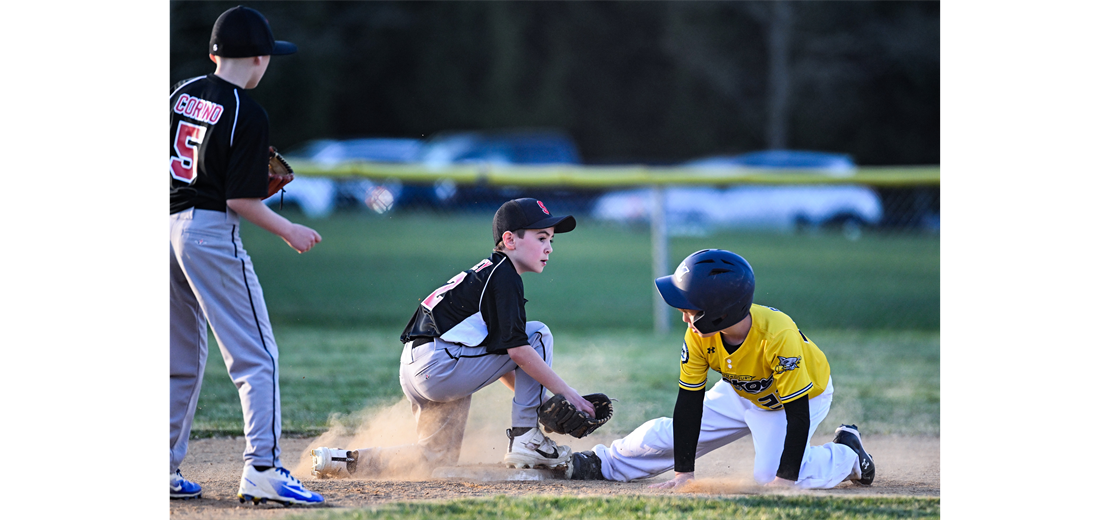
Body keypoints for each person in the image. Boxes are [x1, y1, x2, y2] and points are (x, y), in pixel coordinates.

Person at [310, 197, 596, 479]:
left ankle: (342, 461)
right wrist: (567, 394)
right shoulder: (505, 276)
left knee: (434, 456)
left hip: (420, 366)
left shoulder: (488, 272)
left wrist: (539, 400)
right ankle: (527, 439)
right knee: (537, 334)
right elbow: (518, 353)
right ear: (510, 240)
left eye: (551, 241)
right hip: (441, 364)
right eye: (542, 238)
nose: (549, 248)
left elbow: (497, 359)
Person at [168, 6, 324, 505]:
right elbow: (239, 200)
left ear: (213, 53)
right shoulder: (246, 112)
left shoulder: (181, 93)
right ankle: (262, 467)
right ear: (258, 59)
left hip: (169, 226)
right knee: (257, 355)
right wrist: (289, 230)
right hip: (209, 234)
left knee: (180, 358)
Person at [567, 249, 875, 489]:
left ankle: (848, 455)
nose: (685, 318)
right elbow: (689, 404)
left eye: (691, 310)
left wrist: (786, 480)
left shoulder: (778, 335)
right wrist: (684, 473)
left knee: (773, 475)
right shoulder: (700, 333)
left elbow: (797, 414)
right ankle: (603, 463)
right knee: (666, 433)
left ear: (719, 313)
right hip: (740, 389)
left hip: (796, 399)